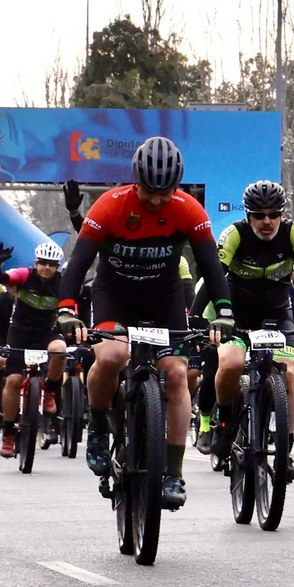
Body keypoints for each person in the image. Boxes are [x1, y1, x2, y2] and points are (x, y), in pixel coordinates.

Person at [56, 137, 236, 509]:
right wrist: (67, 309)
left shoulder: (189, 209)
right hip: (115, 294)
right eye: (149, 191)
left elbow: (211, 266)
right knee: (110, 357)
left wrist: (224, 311)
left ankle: (173, 471)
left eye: (165, 192)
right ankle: (99, 427)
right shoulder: (111, 205)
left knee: (176, 373)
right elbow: (78, 263)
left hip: (163, 297)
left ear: (177, 186)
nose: (156, 200)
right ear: (135, 180)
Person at [207, 181, 294, 463]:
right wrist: (200, 317)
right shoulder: (234, 234)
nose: (267, 221)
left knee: (290, 373)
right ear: (247, 215)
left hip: (278, 314)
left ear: (282, 213)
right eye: (259, 215)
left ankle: (285, 446)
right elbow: (214, 279)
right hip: (237, 314)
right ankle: (224, 421)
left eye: (273, 214)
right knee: (230, 364)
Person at [0, 239, 70, 457]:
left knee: (60, 349)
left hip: (46, 332)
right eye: (43, 263)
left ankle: (50, 390)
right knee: (13, 381)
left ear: (57, 266)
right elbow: (1, 279)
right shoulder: (24, 275)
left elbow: (73, 306)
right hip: (20, 332)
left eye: (52, 264)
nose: (47, 267)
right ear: (36, 262)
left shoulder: (62, 283)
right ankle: (8, 434)